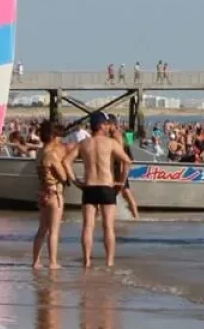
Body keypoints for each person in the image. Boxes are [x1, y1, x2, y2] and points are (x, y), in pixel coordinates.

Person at [76, 114, 132, 268]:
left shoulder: (83, 143)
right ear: (100, 126)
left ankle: (86, 260)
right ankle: (109, 261)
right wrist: (121, 181)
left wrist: (75, 182)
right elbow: (127, 161)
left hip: (89, 186)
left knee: (88, 226)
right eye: (106, 124)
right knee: (108, 227)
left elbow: (66, 161)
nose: (108, 127)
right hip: (106, 186)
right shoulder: (111, 143)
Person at [31, 120, 76, 269]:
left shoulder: (39, 152)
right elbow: (63, 177)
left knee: (41, 230)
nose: (60, 140)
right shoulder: (51, 155)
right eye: (58, 137)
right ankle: (53, 262)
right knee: (54, 231)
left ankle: (36, 261)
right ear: (52, 136)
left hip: (42, 192)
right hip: (54, 193)